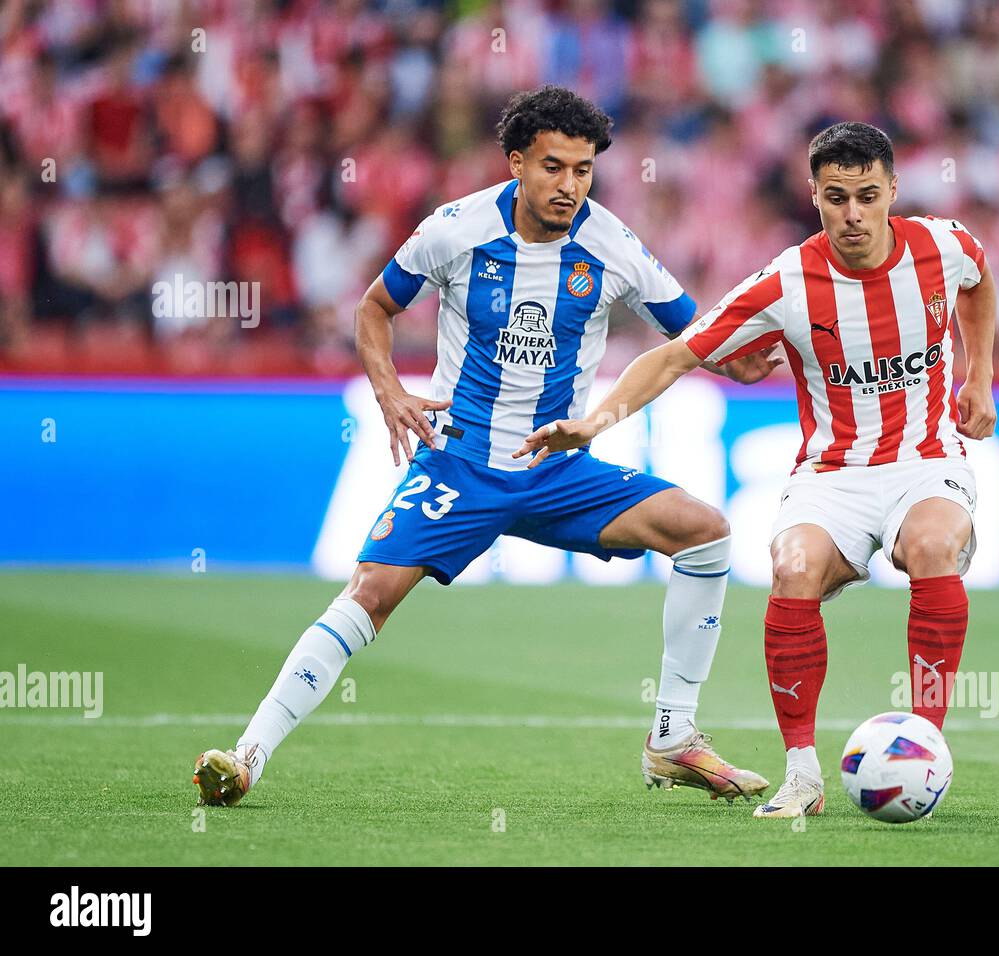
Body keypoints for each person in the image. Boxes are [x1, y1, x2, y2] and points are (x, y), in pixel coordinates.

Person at [193, 86, 782, 808]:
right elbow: (375, 307)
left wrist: (739, 357)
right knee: (372, 593)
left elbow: (694, 330)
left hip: (557, 467)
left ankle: (671, 737)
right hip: (461, 464)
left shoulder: (613, 245)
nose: (570, 186)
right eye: (554, 167)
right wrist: (390, 392)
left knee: (706, 534)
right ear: (516, 163)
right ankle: (248, 753)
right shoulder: (455, 229)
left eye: (584, 170)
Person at [516, 122, 998, 819]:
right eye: (837, 198)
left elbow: (979, 281)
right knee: (793, 567)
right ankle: (803, 775)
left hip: (927, 458)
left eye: (868, 196)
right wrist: (596, 421)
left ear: (893, 190)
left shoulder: (942, 245)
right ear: (815, 196)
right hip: (832, 474)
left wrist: (979, 376)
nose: (853, 214)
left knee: (927, 548)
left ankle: (923, 745)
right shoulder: (789, 280)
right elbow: (676, 355)